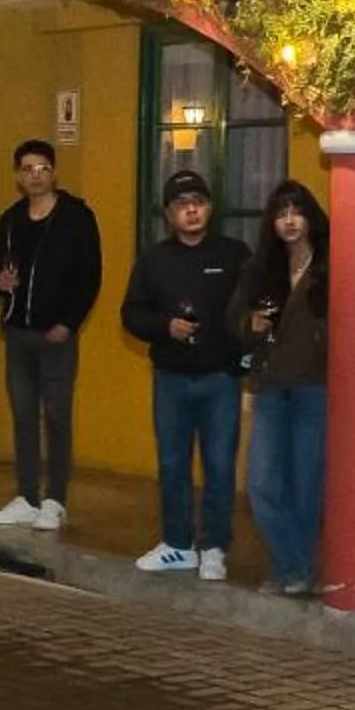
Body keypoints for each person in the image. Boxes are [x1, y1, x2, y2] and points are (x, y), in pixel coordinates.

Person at [121, 169, 252, 578]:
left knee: (218, 466)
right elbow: (131, 314)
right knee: (173, 464)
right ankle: (177, 544)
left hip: (220, 379)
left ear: (210, 208)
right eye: (182, 204)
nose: (191, 210)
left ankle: (214, 546)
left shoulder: (234, 254)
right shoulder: (154, 259)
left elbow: (255, 309)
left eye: (198, 202)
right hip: (171, 378)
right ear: (168, 213)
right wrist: (166, 327)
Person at [0, 141, 103, 530]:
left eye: (42, 168)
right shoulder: (11, 219)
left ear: (53, 172)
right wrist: (0, 283)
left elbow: (89, 276)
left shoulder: (77, 217)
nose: (35, 175)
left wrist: (69, 323)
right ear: (18, 176)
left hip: (57, 335)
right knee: (23, 416)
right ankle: (26, 495)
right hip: (18, 332)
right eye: (27, 168)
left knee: (56, 416)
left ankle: (55, 499)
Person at [234, 179, 328, 596]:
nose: (289, 221)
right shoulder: (262, 268)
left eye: (297, 212)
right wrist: (250, 327)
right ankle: (296, 564)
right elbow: (233, 324)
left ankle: (295, 571)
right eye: (281, 213)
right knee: (262, 484)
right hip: (270, 385)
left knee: (305, 484)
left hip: (314, 386)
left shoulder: (331, 267)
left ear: (310, 217)